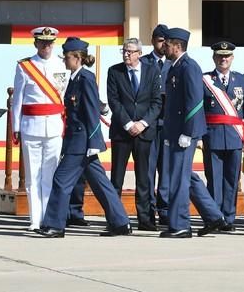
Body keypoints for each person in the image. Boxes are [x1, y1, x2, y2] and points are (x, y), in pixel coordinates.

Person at [38, 37, 132, 238]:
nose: (64, 60)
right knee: (101, 184)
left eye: (67, 57)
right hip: (76, 140)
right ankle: (121, 222)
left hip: (81, 143)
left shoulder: (86, 78)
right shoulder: (75, 78)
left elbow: (90, 111)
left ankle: (55, 224)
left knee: (61, 180)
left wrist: (93, 141)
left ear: (77, 58)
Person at [160, 27, 228, 238]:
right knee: (186, 176)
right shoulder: (175, 66)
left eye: (168, 43)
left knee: (178, 178)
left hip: (184, 132)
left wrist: (188, 133)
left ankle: (180, 224)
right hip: (174, 130)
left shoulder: (189, 67)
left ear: (178, 46)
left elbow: (195, 101)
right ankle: (213, 215)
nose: (164, 46)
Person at [11, 26, 69, 231]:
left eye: (49, 42)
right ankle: (35, 219)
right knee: (33, 175)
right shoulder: (25, 66)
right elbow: (17, 99)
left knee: (50, 175)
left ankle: (49, 218)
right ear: (35, 43)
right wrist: (15, 127)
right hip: (31, 126)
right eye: (42, 42)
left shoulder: (62, 64)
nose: (46, 46)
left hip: (54, 125)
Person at [107, 37, 162, 230]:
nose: (126, 54)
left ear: (139, 53)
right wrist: (129, 123)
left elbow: (157, 102)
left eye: (130, 51)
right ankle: (115, 219)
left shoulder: (152, 71)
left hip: (144, 132)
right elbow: (114, 101)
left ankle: (146, 219)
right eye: (124, 51)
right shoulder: (115, 71)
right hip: (122, 132)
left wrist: (143, 123)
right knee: (117, 178)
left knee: (144, 178)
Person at [201, 41, 244, 231]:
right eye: (220, 56)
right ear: (214, 57)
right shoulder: (205, 80)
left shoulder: (241, 80)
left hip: (235, 137)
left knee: (232, 179)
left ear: (232, 58)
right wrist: (200, 136)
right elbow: (200, 110)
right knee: (214, 179)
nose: (223, 59)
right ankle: (215, 217)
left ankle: (229, 218)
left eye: (227, 56)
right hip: (212, 135)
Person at [141, 24, 171, 226]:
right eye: (161, 41)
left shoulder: (174, 62)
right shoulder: (143, 62)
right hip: (149, 123)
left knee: (166, 169)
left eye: (167, 41)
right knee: (148, 169)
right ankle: (149, 209)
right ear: (153, 41)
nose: (164, 45)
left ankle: (165, 209)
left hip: (168, 123)